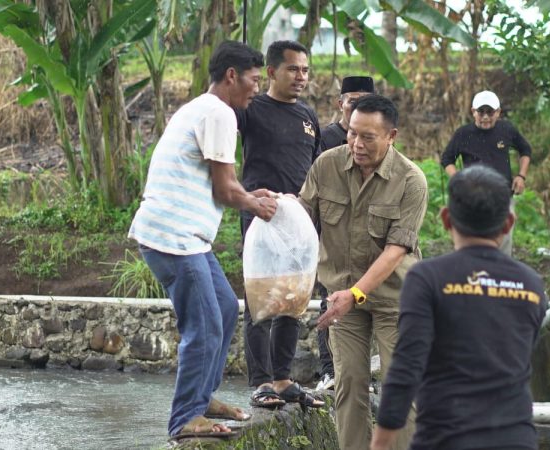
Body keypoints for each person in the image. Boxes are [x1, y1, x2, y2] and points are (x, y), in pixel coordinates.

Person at [128, 41, 278, 438]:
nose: (256, 88)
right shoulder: (218, 112)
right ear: (232, 75)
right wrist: (253, 204)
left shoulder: (203, 109)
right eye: (253, 79)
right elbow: (225, 191)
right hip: (174, 237)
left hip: (184, 236)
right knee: (206, 324)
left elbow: (224, 184)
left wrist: (251, 195)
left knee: (226, 308)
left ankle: (202, 395)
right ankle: (184, 419)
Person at [371, 165, 548, 450]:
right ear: (509, 223)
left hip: (445, 438)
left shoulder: (428, 278)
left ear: (445, 219)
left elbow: (406, 365)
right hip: (516, 440)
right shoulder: (531, 285)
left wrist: (380, 443)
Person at [299, 94, 428, 450]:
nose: (356, 143)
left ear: (392, 136)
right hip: (340, 296)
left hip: (394, 298)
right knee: (349, 382)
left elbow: (395, 251)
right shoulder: (326, 165)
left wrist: (355, 295)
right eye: (352, 133)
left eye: (368, 137)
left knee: (399, 384)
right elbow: (301, 215)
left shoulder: (411, 181)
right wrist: (270, 207)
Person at [236, 40, 324, 409]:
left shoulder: (307, 117)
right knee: (261, 297)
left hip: (298, 220)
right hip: (260, 215)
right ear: (271, 72)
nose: (301, 76)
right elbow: (221, 153)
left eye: (305, 70)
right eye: (293, 69)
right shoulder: (250, 109)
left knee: (292, 297)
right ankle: (260, 383)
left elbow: (317, 169)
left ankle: (284, 379)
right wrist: (246, 197)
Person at [316, 75, 375, 392]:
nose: (357, 105)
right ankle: (329, 371)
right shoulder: (325, 138)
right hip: (331, 235)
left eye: (365, 100)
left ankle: (361, 375)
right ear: (340, 103)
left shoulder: (377, 138)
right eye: (352, 99)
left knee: (364, 302)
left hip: (366, 236)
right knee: (330, 302)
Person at [440, 90, 533, 256]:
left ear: (498, 112)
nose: (485, 117)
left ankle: (500, 273)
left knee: (503, 239)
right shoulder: (463, 134)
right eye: (481, 112)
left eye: (490, 112)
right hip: (472, 195)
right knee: (472, 238)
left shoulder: (507, 130)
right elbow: (447, 159)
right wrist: (459, 179)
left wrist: (521, 176)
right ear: (473, 112)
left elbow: (525, 150)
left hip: (502, 194)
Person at [319, 75, 376, 151]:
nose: (359, 107)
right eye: (353, 102)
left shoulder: (379, 136)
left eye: (366, 101)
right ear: (341, 105)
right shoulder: (324, 138)